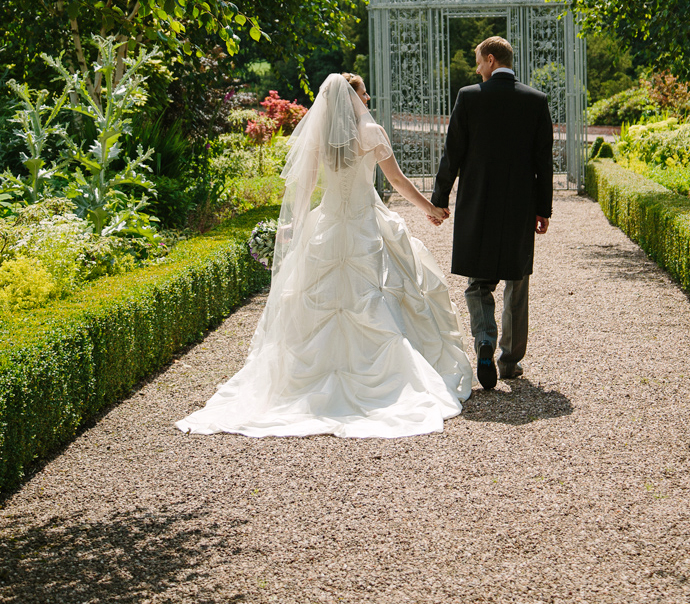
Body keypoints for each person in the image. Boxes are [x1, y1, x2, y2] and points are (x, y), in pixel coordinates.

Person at [176, 73, 472, 439]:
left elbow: (303, 187)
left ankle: (306, 383)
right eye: (363, 92)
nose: (367, 97)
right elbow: (396, 181)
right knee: (379, 297)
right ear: (352, 97)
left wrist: (296, 227)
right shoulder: (371, 131)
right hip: (365, 226)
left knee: (317, 301)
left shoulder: (321, 137)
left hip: (328, 225)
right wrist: (431, 207)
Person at [430, 36, 553, 391]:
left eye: (478, 63)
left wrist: (440, 199)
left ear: (490, 58)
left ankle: (484, 337)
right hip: (519, 206)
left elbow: (452, 154)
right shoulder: (535, 100)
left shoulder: (469, 97)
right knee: (517, 281)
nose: (477, 69)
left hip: (478, 204)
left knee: (478, 284)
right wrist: (543, 208)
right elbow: (543, 161)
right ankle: (509, 361)